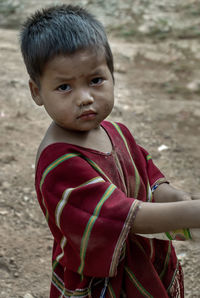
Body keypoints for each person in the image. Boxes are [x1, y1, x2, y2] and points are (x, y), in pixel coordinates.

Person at [20, 4, 200, 297]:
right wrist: (193, 212)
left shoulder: (117, 133)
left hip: (143, 264)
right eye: (64, 87)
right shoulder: (60, 164)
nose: (85, 98)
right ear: (37, 91)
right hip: (103, 285)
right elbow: (127, 217)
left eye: (95, 80)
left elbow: (151, 183)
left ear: (112, 75)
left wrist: (178, 197)